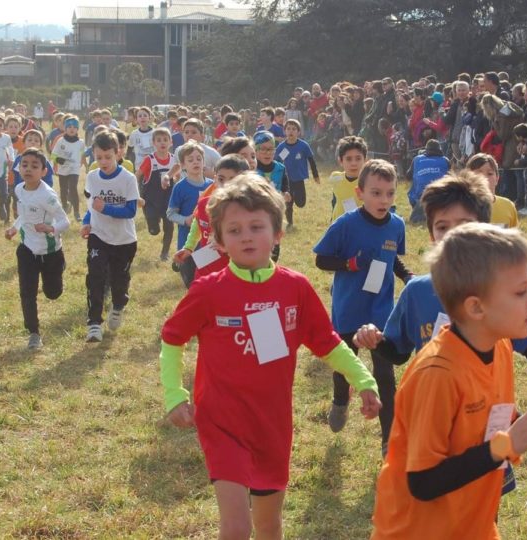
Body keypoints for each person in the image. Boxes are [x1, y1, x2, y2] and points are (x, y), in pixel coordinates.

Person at [159, 174, 381, 540]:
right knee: (236, 527)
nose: (246, 236)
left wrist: (364, 380)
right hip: (221, 420)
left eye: (256, 227)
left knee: (268, 526)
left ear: (277, 233)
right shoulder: (208, 291)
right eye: (234, 230)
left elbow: (327, 342)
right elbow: (172, 338)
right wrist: (173, 394)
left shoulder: (295, 288)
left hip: (272, 424)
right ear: (220, 240)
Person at [371, 223, 527, 540]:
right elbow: (422, 481)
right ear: (476, 307)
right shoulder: (437, 374)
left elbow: (508, 425)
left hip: (473, 527)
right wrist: (506, 444)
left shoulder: (500, 347)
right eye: (521, 292)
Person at [354, 170, 527, 372]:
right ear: (431, 235)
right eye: (442, 227)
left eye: (465, 225)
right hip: (436, 398)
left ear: (484, 230)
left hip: (489, 400)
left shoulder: (502, 289)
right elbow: (397, 352)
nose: (454, 235)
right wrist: (375, 339)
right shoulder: (417, 292)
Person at [313, 159, 407, 455]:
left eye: (390, 193)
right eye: (376, 193)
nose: (384, 200)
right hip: (349, 308)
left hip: (381, 310)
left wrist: (408, 276)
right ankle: (341, 399)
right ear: (360, 192)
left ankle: (388, 440)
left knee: (385, 374)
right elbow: (321, 259)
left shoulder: (397, 224)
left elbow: (393, 259)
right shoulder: (345, 224)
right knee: (345, 364)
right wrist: (348, 264)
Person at [4, 148, 70, 350]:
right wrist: (14, 228)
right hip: (27, 250)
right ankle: (33, 332)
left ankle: (59, 269)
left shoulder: (47, 196)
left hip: (50, 252)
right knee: (27, 292)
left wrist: (51, 228)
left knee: (52, 293)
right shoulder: (19, 189)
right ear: (18, 168)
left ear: (43, 171)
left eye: (34, 166)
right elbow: (24, 214)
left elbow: (65, 222)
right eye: (24, 165)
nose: (28, 169)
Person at [80, 131, 140, 343]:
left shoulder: (128, 178)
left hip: (124, 240)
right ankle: (94, 323)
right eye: (99, 157)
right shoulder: (92, 177)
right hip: (99, 236)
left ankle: (118, 306)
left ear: (118, 153)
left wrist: (106, 207)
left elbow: (131, 211)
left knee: (118, 281)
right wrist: (86, 222)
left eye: (108, 157)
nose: (103, 162)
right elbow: (91, 207)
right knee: (95, 278)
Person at [174, 154, 251, 280]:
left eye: (233, 180)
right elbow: (197, 225)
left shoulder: (250, 211)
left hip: (236, 271)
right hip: (206, 267)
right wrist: (189, 247)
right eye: (221, 179)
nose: (226, 185)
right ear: (215, 179)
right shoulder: (204, 203)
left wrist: (228, 246)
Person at [167, 141, 213, 288]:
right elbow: (170, 213)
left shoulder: (212, 185)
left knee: (205, 280)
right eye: (190, 160)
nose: (196, 162)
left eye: (199, 159)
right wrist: (185, 220)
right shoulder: (180, 187)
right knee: (191, 282)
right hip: (187, 242)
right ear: (183, 165)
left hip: (208, 244)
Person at [137, 127, 177, 261]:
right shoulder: (150, 160)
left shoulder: (174, 160)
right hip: (151, 201)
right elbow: (138, 175)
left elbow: (177, 178)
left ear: (171, 142)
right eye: (159, 140)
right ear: (153, 143)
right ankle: (152, 224)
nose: (162, 143)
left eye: (165, 140)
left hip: (168, 201)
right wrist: (137, 192)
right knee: (154, 231)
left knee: (169, 228)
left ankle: (165, 253)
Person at [275, 119, 320, 229]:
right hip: (286, 179)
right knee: (288, 203)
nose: (291, 131)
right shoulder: (281, 147)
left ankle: (295, 199)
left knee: (301, 203)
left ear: (298, 132)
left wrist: (315, 175)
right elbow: (276, 163)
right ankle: (290, 223)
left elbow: (311, 160)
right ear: (284, 131)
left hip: (299, 179)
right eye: (288, 129)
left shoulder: (303, 146)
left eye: (294, 129)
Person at [51, 115, 87, 222]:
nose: (72, 129)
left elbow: (83, 154)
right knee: (63, 190)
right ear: (65, 128)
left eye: (74, 127)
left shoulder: (80, 142)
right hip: (63, 170)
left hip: (74, 169)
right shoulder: (61, 141)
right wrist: (59, 160)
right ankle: (65, 206)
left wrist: (85, 164)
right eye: (69, 127)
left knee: (73, 188)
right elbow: (53, 155)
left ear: (77, 129)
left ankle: (76, 212)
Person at [466, 153, 517, 228]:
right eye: (478, 174)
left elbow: (513, 237)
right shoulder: (462, 209)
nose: (485, 178)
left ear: (497, 178)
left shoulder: (508, 206)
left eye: (490, 174)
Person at [407, 139, 450, 224]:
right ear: (440, 150)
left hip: (420, 197)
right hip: (442, 197)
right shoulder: (445, 160)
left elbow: (408, 176)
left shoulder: (417, 159)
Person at [327, 136, 368, 222]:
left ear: (365, 160)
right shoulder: (336, 178)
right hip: (338, 227)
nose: (354, 163)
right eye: (349, 159)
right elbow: (335, 200)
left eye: (358, 158)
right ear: (341, 161)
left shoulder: (369, 182)